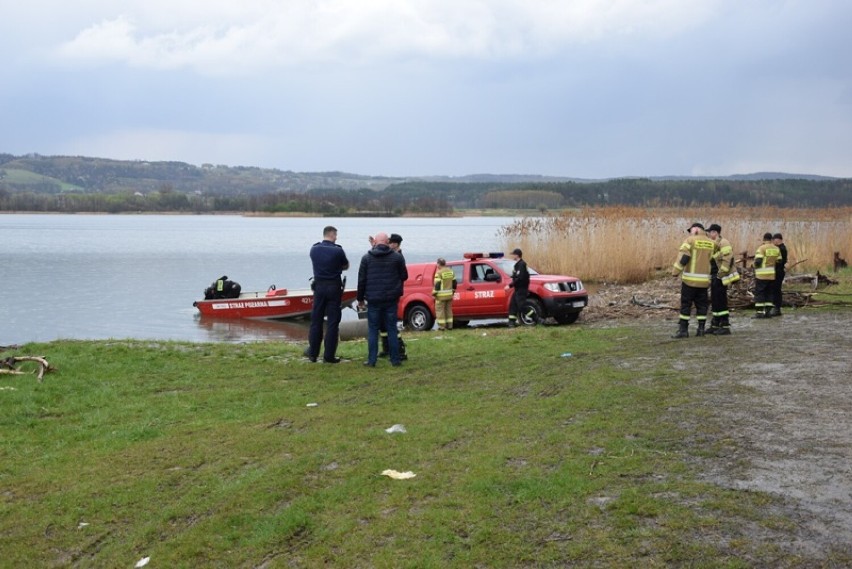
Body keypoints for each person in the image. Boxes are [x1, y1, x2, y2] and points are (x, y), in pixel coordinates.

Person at [357, 232, 408, 367]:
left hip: (373, 299)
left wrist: (360, 299)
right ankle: (395, 359)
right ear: (387, 242)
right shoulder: (397, 258)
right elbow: (404, 276)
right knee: (391, 328)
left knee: (373, 329)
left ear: (375, 242)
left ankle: (372, 360)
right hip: (391, 298)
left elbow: (361, 280)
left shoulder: (366, 258)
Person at [307, 226, 349, 363]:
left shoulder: (314, 249)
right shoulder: (338, 251)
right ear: (332, 235)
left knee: (316, 320)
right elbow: (346, 266)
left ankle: (313, 353)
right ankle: (329, 355)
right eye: (335, 235)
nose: (336, 238)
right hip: (333, 287)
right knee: (332, 322)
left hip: (319, 287)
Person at [671, 223, 716, 338]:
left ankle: (683, 331)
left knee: (686, 305)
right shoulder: (711, 243)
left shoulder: (690, 241)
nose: (690, 232)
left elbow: (683, 258)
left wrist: (675, 272)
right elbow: (712, 260)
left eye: (690, 230)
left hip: (689, 281)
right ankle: (701, 330)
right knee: (702, 305)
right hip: (704, 281)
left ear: (695, 230)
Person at [378, 233, 407, 359]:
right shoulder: (393, 255)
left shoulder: (398, 257)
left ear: (394, 244)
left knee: (390, 323)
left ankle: (400, 350)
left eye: (390, 243)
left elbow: (403, 276)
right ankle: (387, 348)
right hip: (388, 293)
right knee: (383, 324)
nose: (388, 245)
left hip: (392, 294)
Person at [707, 223, 740, 335]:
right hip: (715, 275)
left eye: (710, 232)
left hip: (720, 276)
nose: (708, 234)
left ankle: (725, 326)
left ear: (715, 232)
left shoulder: (724, 242)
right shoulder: (714, 243)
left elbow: (727, 258)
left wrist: (721, 274)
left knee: (721, 300)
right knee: (715, 300)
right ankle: (715, 324)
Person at [753, 232, 781, 319]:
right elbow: (779, 260)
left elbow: (758, 261)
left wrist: (753, 265)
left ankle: (759, 313)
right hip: (771, 275)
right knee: (769, 293)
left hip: (761, 275)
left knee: (760, 293)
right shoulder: (776, 249)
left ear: (764, 239)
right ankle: (768, 312)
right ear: (771, 239)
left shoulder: (761, 248)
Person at [504, 248, 530, 327]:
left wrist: (510, 285)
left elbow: (520, 278)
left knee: (521, 306)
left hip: (521, 289)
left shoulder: (521, 264)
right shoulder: (518, 265)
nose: (513, 256)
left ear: (517, 255)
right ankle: (511, 322)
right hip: (517, 289)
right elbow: (516, 276)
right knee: (513, 305)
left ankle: (536, 318)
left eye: (513, 254)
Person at [433, 258, 457, 330]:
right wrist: (453, 291)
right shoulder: (451, 271)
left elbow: (437, 285)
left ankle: (442, 326)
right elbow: (454, 283)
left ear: (439, 264)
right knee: (448, 310)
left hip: (441, 296)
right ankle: (450, 326)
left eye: (437, 263)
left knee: (440, 311)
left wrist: (434, 293)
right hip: (449, 295)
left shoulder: (439, 273)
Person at [771, 233, 788, 316]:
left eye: (774, 240)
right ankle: (775, 307)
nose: (773, 242)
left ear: (778, 240)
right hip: (778, 271)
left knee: (777, 290)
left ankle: (777, 308)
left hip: (779, 271)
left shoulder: (781, 248)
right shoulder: (780, 248)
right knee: (775, 289)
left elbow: (780, 261)